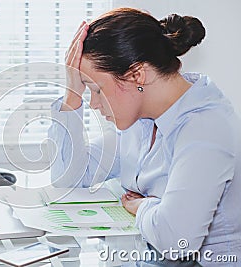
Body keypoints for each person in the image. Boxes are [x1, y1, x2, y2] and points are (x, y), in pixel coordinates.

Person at [48, 7, 241, 266]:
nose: (93, 103)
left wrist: (142, 207)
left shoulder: (206, 128)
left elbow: (176, 241)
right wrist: (72, 96)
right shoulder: (143, 120)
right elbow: (68, 180)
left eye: (95, 90)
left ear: (137, 74)